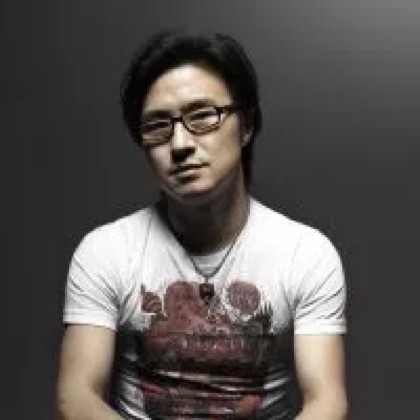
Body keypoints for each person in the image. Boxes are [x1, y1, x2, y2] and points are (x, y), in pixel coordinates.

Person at [57, 31, 347, 420]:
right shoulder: (106, 251)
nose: (180, 144)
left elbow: (326, 402)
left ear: (246, 126)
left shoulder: (305, 254)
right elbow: (76, 398)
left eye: (202, 116)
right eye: (158, 125)